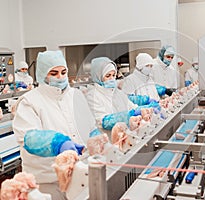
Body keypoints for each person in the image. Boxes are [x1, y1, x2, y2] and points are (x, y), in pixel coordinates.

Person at [13, 50, 100, 200]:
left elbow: (90, 126)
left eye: (63, 72)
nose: (60, 77)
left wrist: (96, 139)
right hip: (48, 181)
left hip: (79, 175)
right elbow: (29, 138)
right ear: (42, 74)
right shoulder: (29, 101)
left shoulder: (76, 95)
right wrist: (59, 144)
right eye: (54, 73)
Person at [85, 57, 138, 132]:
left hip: (124, 134)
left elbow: (130, 106)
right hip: (108, 138)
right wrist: (128, 116)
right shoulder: (92, 96)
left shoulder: (116, 91)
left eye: (113, 75)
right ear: (98, 77)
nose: (112, 79)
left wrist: (142, 110)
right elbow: (103, 121)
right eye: (108, 76)